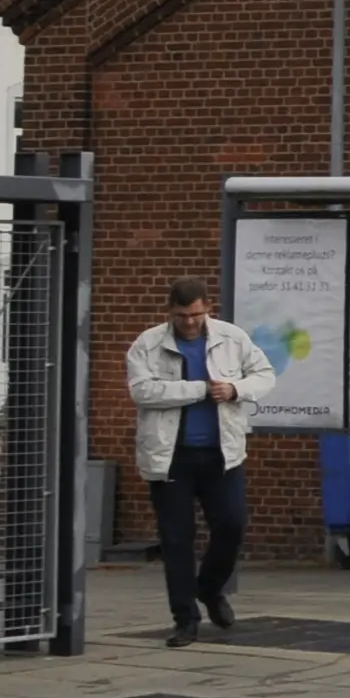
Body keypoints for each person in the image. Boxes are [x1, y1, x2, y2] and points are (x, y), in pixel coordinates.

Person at [126, 277, 276, 647]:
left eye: (195, 314)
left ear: (208, 307)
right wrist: (199, 389)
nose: (190, 322)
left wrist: (236, 389)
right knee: (177, 540)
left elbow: (265, 375)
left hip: (222, 454)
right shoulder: (148, 344)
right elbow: (141, 390)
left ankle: (209, 588)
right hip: (170, 456)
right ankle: (185, 619)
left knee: (232, 525)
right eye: (181, 316)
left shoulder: (232, 338)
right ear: (169, 312)